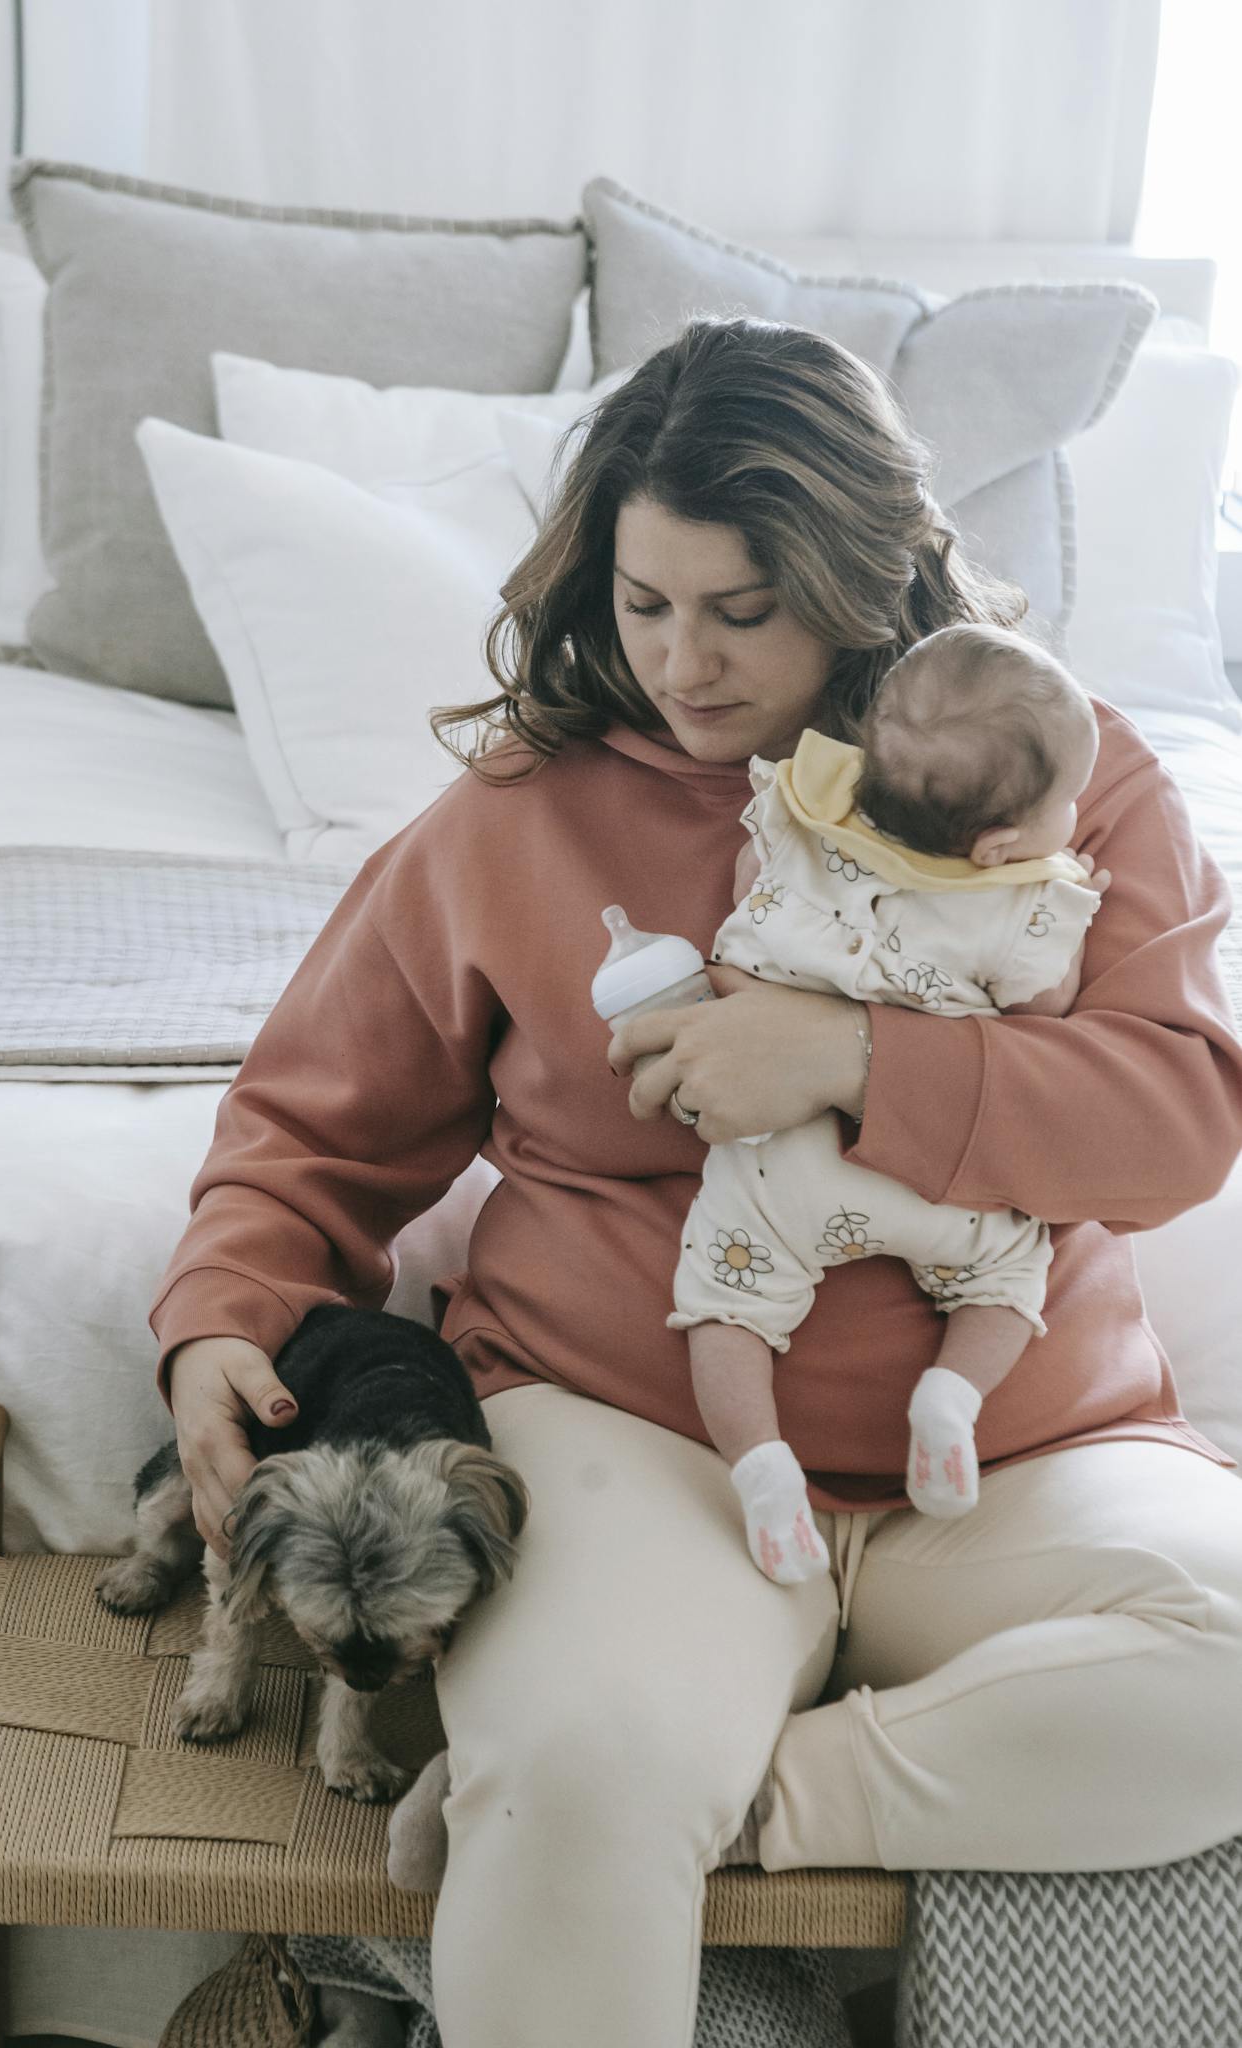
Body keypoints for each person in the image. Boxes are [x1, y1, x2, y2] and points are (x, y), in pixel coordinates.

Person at [148, 317, 1242, 2048]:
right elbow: (308, 1128)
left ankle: (741, 1807)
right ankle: (598, 1799)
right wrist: (219, 1316)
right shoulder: (518, 817)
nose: (686, 664)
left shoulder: (1066, 765)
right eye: (646, 604)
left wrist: (857, 1059)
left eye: (745, 611)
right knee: (584, 1763)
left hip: (1025, 1439)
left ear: (869, 578)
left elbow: (1181, 1113)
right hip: (637, 1427)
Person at [675, 624, 1108, 1578]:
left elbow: (744, 901)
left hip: (782, 1166)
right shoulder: (1023, 902)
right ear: (999, 845)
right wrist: (1065, 920)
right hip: (942, 1179)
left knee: (726, 1310)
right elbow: (1048, 1013)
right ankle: (949, 1399)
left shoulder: (798, 822)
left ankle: (758, 1468)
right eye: (1067, 804)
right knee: (1005, 1285)